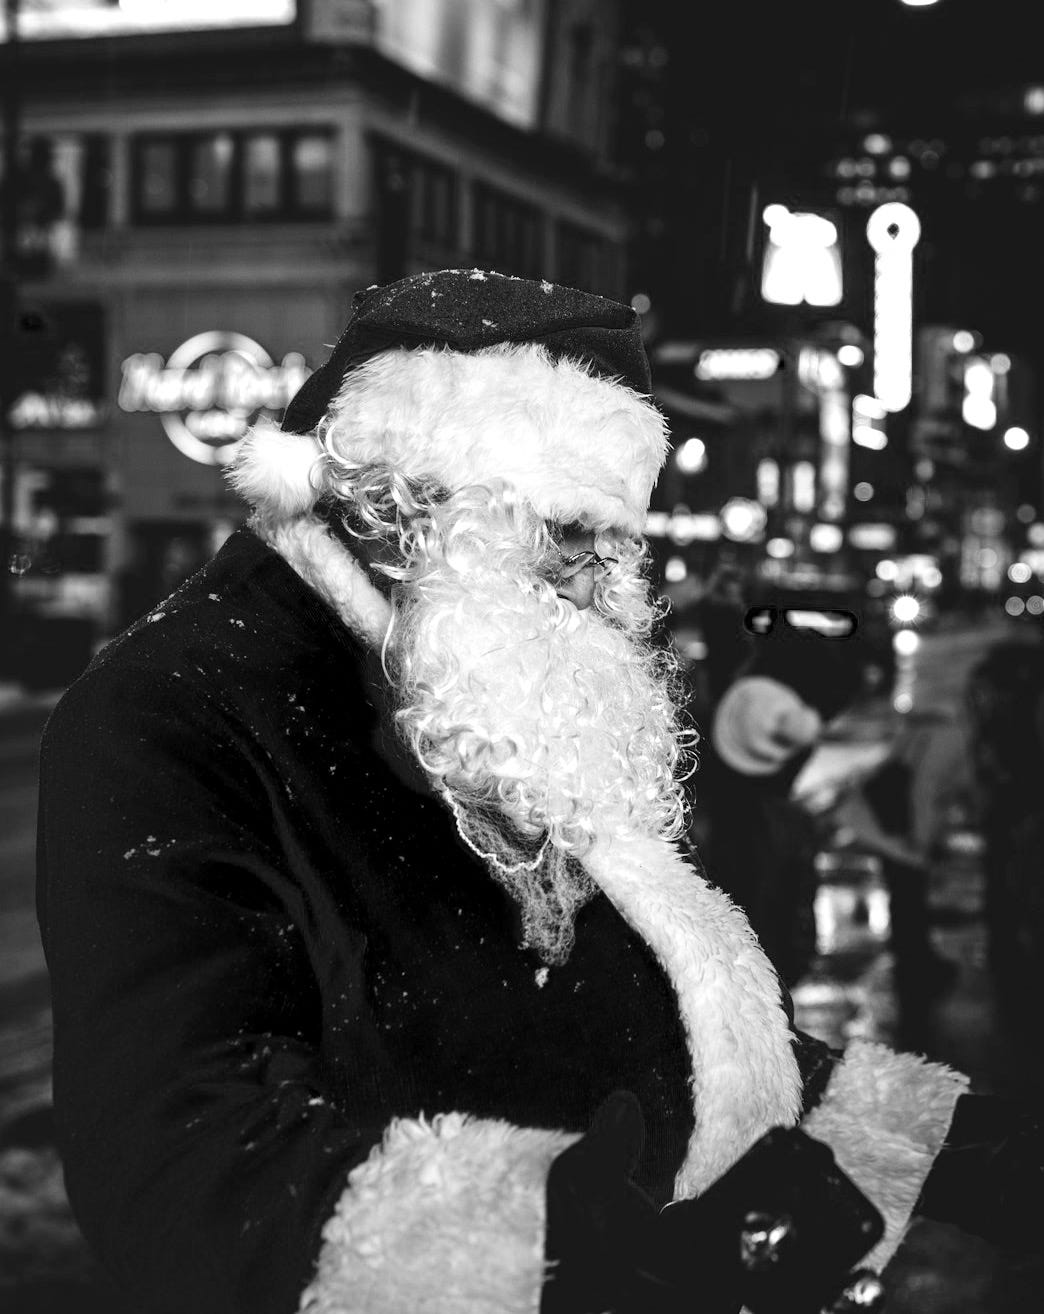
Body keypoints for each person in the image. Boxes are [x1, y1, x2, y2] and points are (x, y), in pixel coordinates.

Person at [36, 270, 1030, 1314]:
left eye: (617, 533)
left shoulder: (478, 678)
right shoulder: (180, 708)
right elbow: (182, 1161)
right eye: (567, 529)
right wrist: (588, 1250)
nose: (607, 573)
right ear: (404, 503)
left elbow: (649, 1044)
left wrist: (970, 1151)